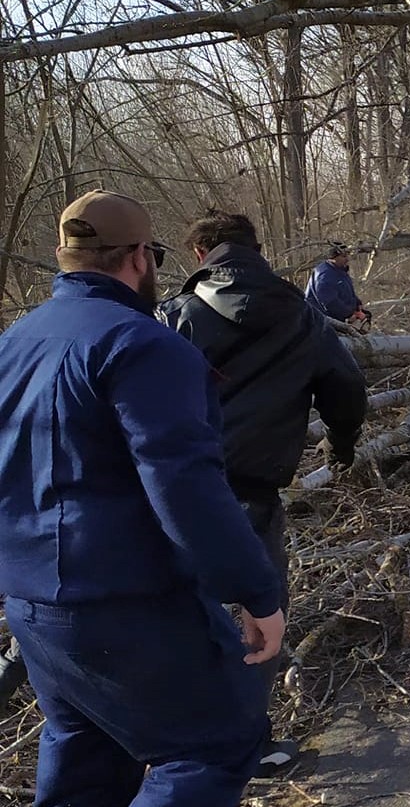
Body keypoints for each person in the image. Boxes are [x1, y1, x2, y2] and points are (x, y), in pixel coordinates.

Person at [0, 190, 286, 805]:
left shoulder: (13, 345)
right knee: (214, 747)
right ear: (139, 258)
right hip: (129, 605)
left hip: (34, 606)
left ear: (63, 256)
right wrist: (255, 591)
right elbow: (183, 484)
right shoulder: (144, 346)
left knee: (85, 750)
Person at [160, 209, 368, 773]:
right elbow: (346, 386)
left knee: (177, 614)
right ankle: (249, 744)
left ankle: (174, 748)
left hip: (177, 494)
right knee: (262, 617)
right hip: (254, 495)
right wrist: (343, 445)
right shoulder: (302, 316)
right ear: (256, 250)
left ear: (200, 255)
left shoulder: (176, 316)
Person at [304, 243, 367, 323]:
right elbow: (330, 303)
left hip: (336, 320)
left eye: (347, 255)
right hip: (322, 323)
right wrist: (349, 315)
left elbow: (346, 292)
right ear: (333, 257)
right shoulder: (325, 275)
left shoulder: (340, 271)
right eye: (344, 256)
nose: (347, 259)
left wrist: (357, 305)